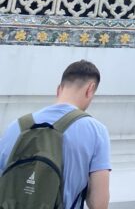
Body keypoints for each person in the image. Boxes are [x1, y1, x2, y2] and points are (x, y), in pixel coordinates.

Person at [0, 60, 110, 209]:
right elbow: (98, 204)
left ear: (59, 89)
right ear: (90, 89)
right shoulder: (96, 131)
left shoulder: (16, 126)